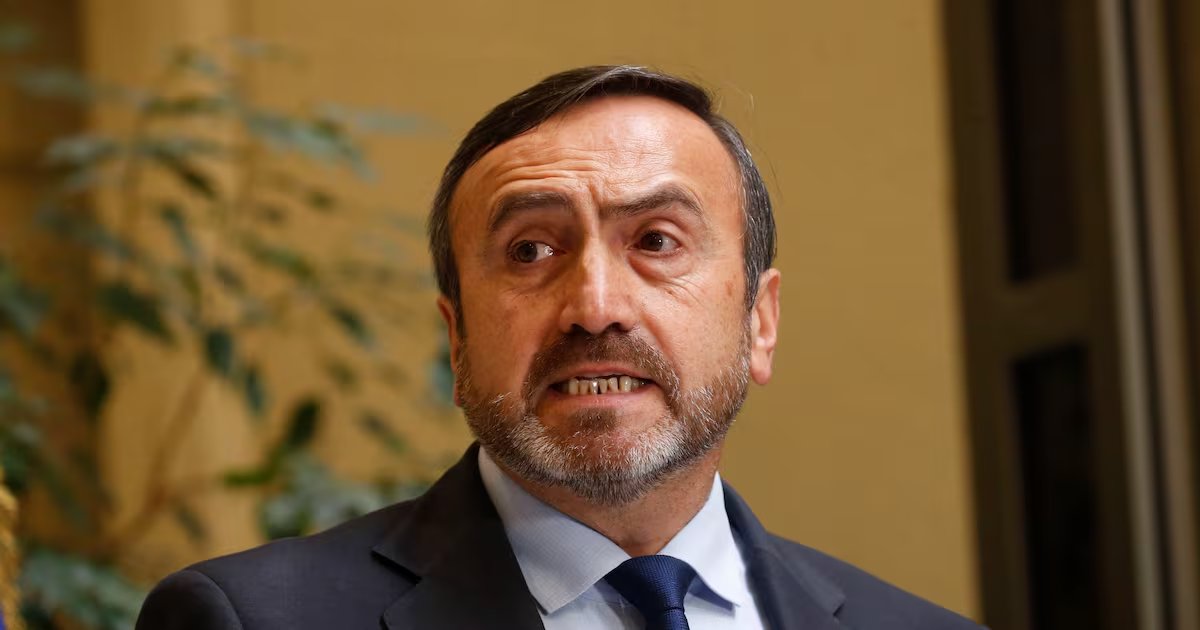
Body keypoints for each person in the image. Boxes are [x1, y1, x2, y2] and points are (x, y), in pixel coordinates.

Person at [136, 65, 984, 630]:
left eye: (656, 241)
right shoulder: (248, 620)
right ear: (457, 338)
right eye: (531, 251)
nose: (595, 308)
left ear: (760, 322)